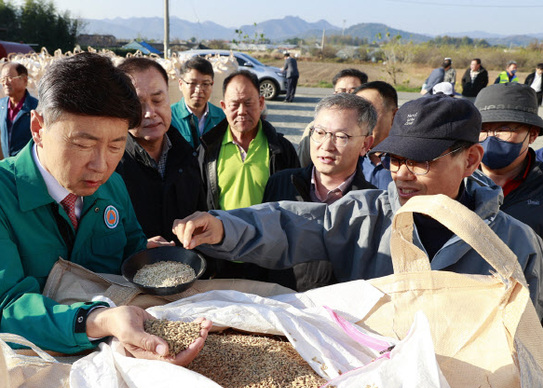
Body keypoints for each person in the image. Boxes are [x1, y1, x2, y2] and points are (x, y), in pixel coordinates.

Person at [173, 94, 543, 321]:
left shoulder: (514, 243)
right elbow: (293, 223)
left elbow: (529, 336)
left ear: (471, 159)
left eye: (420, 162)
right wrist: (223, 227)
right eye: (395, 160)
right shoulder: (365, 215)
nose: (402, 175)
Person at [0, 52, 210, 360]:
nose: (100, 165)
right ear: (38, 127)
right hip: (32, 364)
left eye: (116, 145)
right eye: (83, 144)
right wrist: (99, 320)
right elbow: (2, 310)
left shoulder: (112, 186)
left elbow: (131, 257)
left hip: (117, 350)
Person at [259, 94, 376, 290]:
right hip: (278, 304)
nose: (326, 146)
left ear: (365, 144)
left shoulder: (373, 205)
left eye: (341, 137)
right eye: (320, 132)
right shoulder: (281, 183)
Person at [198, 69, 299, 277]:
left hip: (268, 257)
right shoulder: (207, 150)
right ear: (224, 107)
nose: (242, 111)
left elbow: (296, 205)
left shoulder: (281, 149)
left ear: (261, 103)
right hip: (222, 257)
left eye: (249, 103)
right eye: (234, 104)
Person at [116, 57, 207, 243]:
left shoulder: (188, 155)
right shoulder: (111, 166)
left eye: (158, 100)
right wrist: (137, 249)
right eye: (138, 105)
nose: (150, 112)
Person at [475, 83, 543, 238]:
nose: (491, 137)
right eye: (482, 129)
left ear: (532, 135)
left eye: (504, 129)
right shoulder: (453, 179)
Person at [296, 68, 370, 166]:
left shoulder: (370, 128)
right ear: (334, 94)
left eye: (353, 91)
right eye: (342, 91)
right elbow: (301, 165)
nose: (347, 96)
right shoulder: (314, 128)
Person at [170, 56, 225, 148]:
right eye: (192, 83)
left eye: (205, 84)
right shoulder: (169, 117)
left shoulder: (222, 118)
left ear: (212, 85)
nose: (199, 90)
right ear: (180, 84)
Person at [353, 81, 397, 189]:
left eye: (369, 113)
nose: (361, 121)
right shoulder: (344, 156)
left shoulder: (412, 160)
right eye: (356, 114)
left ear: (394, 116)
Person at [0, 62, 38, 158]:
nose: (5, 83)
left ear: (24, 80)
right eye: (3, 79)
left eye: (10, 78)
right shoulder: (1, 104)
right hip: (8, 163)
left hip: (27, 163)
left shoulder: (36, 107)